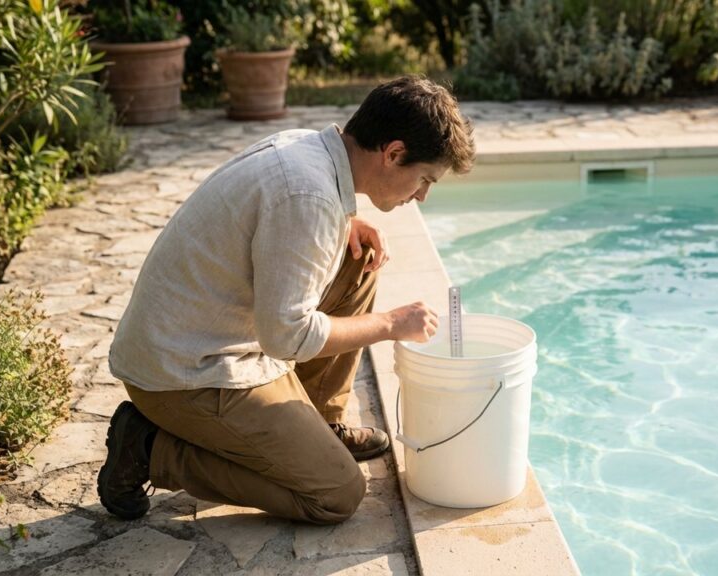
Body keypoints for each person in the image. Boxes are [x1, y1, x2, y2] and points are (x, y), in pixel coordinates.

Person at [96, 76, 475, 524]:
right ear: (393, 153)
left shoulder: (309, 149)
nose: (422, 196)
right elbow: (287, 337)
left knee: (358, 264)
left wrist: (344, 227)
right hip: (184, 375)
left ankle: (322, 424)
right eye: (424, 180)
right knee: (336, 494)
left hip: (192, 337)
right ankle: (148, 448)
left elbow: (276, 226)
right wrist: (392, 324)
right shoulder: (308, 197)